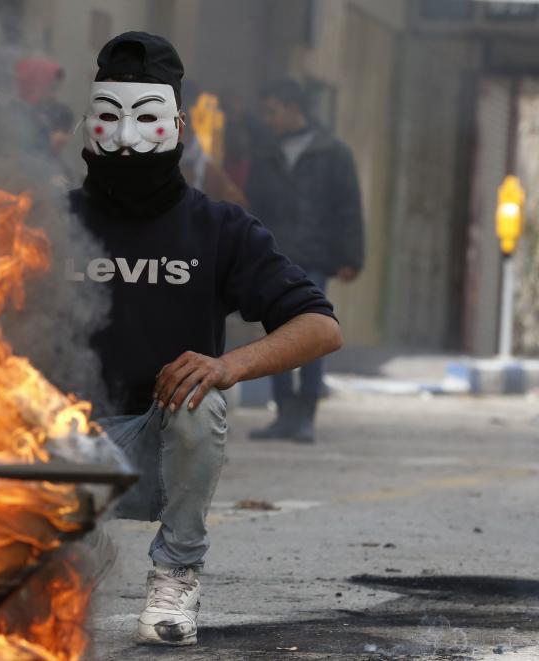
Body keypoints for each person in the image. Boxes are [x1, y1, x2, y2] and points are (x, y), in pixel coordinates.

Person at [66, 33, 343, 646]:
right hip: (57, 450)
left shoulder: (218, 226)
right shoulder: (45, 221)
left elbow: (320, 326)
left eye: (146, 117)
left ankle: (176, 572)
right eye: (110, 115)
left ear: (178, 123)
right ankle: (51, 560)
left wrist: (228, 365)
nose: (127, 134)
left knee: (201, 397)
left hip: (158, 448)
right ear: (89, 121)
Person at [246, 79, 364, 444]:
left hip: (315, 256)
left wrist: (350, 257)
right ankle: (283, 413)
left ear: (293, 108)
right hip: (275, 256)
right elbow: (253, 207)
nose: (268, 119)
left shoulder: (334, 153)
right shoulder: (264, 153)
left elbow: (349, 208)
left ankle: (306, 415)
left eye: (272, 111)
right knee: (276, 334)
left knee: (312, 333)